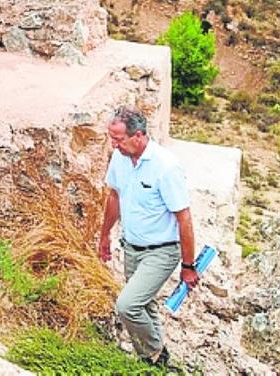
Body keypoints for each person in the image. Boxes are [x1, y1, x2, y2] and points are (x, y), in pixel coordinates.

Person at [97, 107, 198, 367]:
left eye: (118, 139)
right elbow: (114, 196)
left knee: (127, 305)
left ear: (138, 136)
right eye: (112, 137)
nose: (114, 144)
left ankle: (155, 355)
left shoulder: (166, 167)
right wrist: (104, 235)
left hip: (162, 250)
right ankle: (152, 366)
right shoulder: (120, 158)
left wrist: (188, 266)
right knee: (145, 305)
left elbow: (184, 218)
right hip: (131, 247)